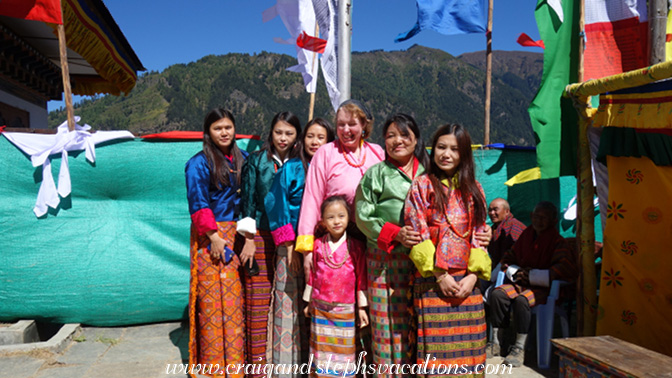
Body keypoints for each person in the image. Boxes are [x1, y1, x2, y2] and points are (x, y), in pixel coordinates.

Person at [404, 123, 490, 377]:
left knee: (470, 352)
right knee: (435, 356)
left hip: (467, 284)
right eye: (441, 147)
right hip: (433, 282)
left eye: (454, 149)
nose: (446, 154)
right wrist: (440, 276)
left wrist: (473, 277)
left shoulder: (475, 189)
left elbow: (480, 234)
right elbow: (417, 231)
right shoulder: (421, 186)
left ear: (464, 154)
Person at [354, 113, 428, 373]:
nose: (398, 141)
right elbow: (363, 216)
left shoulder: (428, 172)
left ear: (416, 139)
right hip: (384, 260)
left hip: (424, 261)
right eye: (390, 136)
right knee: (385, 323)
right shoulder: (376, 174)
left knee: (417, 320)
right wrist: (395, 234)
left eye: (404, 135)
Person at [264, 118, 335, 375]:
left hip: (327, 248)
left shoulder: (333, 168)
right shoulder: (291, 169)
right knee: (290, 305)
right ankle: (287, 368)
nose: (315, 142)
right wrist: (289, 243)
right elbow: (276, 203)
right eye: (310, 136)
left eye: (321, 137)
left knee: (321, 305)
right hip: (291, 247)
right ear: (302, 140)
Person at [237, 111, 301, 375]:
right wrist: (248, 240)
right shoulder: (257, 161)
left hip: (293, 241)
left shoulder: (301, 163)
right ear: (270, 133)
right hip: (262, 236)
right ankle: (257, 368)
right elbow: (248, 201)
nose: (283, 138)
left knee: (290, 300)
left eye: (289, 133)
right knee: (258, 300)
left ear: (297, 135)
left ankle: (291, 363)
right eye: (278, 132)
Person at [185, 108, 247, 377]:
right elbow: (198, 203)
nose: (224, 132)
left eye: (228, 127)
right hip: (210, 234)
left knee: (233, 301)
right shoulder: (198, 163)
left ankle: (233, 366)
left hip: (236, 232)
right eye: (217, 128)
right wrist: (213, 237)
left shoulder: (241, 159)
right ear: (208, 132)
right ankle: (213, 368)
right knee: (211, 302)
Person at [488, 201, 577, 367]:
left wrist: (533, 276)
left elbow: (564, 268)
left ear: (553, 221)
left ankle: (519, 348)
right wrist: (516, 272)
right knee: (498, 294)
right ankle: (497, 343)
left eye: (544, 218)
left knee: (523, 300)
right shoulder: (526, 236)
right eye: (536, 216)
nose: (539, 220)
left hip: (545, 289)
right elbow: (508, 258)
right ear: (531, 216)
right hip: (521, 282)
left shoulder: (558, 242)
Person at [295, 99, 385, 258]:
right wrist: (306, 249)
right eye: (341, 124)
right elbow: (312, 199)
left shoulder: (377, 153)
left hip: (372, 240)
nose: (346, 130)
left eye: (352, 124)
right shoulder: (326, 153)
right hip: (335, 239)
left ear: (364, 125)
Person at [302, 195, 368, 378]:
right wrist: (308, 302)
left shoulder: (356, 246)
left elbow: (361, 276)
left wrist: (362, 307)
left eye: (341, 216)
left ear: (349, 217)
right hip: (320, 308)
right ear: (323, 221)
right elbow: (312, 275)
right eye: (330, 217)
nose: (336, 221)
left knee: (344, 352)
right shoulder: (317, 245)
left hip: (344, 309)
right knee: (321, 352)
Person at [488, 198, 526, 269]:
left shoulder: (514, 225)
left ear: (507, 211)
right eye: (490, 210)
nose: (492, 213)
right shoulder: (493, 228)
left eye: (495, 210)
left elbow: (516, 251)